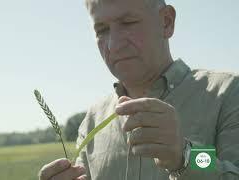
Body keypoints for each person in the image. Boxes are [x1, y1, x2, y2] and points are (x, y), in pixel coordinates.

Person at [38, 0, 239, 179]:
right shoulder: (92, 120)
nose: (114, 45)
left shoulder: (228, 93)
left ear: (166, 22)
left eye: (128, 23)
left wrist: (185, 156)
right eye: (102, 30)